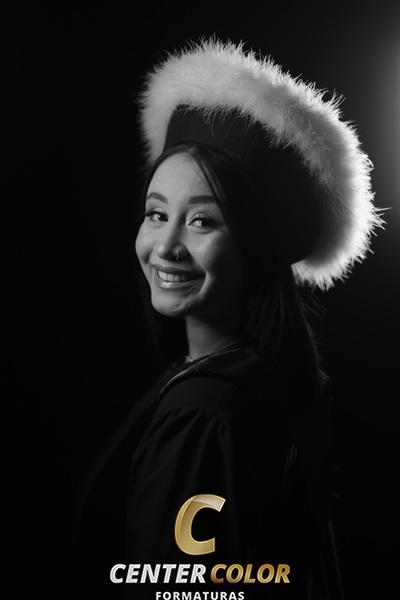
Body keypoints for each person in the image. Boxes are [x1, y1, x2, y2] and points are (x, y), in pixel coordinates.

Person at [74, 39, 384, 599]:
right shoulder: (267, 379)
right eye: (156, 213)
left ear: (255, 248)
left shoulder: (205, 413)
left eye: (202, 222)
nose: (165, 246)